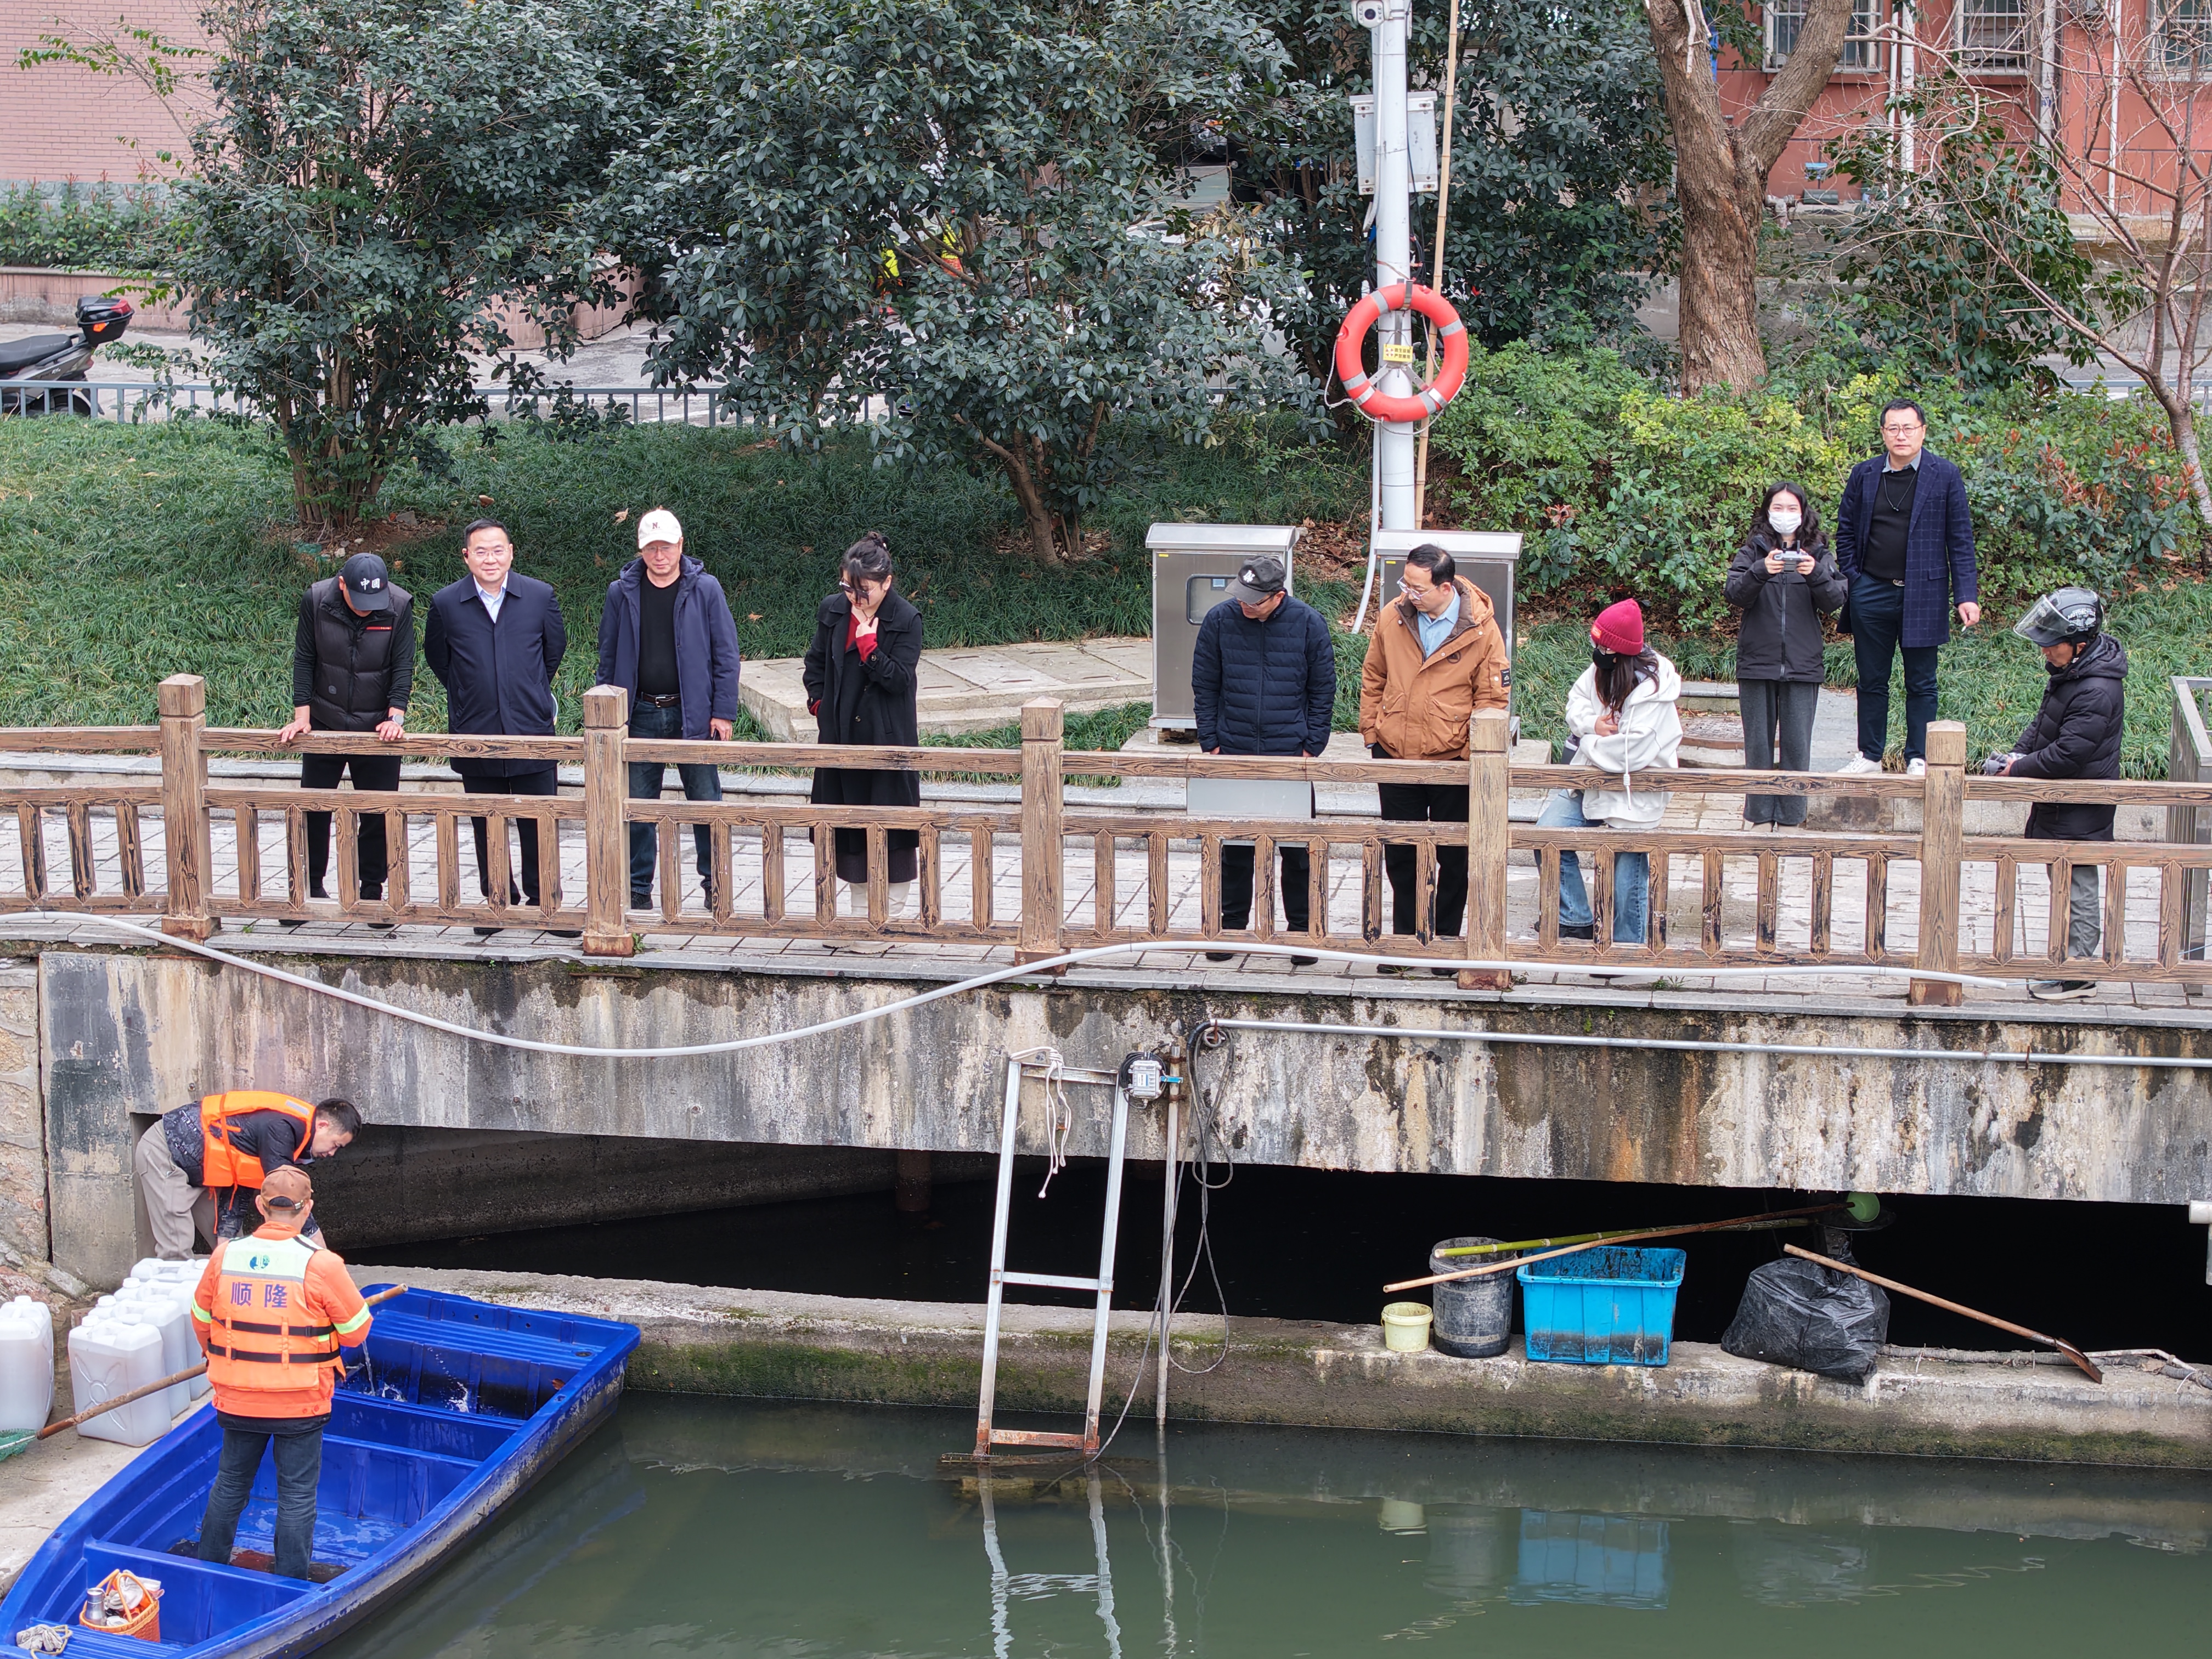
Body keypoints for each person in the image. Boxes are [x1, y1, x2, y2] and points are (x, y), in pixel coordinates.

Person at [190, 1165, 373, 1582]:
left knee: (230, 1484)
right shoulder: (322, 1264)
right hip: (300, 1402)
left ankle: (208, 1570)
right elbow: (356, 1331)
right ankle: (291, 1584)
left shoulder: (225, 1256)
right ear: (307, 1208)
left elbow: (201, 1319)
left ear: (260, 1205)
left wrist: (224, 1355)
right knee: (296, 1496)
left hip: (237, 1397)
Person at [1358, 544, 1509, 970]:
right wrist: (1372, 732)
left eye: (1418, 588)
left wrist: (1469, 753)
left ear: (1446, 588)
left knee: (1454, 854)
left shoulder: (1480, 629)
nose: (1408, 593)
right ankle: (1406, 941)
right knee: (1401, 852)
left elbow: (1493, 696)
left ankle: (1445, 942)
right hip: (1395, 753)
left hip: (1452, 760)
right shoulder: (1393, 616)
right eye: (1405, 583)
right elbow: (1374, 675)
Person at [425, 519, 575, 938]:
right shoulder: (446, 603)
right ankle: (497, 902)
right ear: (466, 556)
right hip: (476, 731)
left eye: (497, 550)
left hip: (531, 729)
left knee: (539, 819)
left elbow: (553, 650)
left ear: (511, 552)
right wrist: (473, 694)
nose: (490, 559)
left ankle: (545, 901)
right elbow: (440, 660)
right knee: (487, 821)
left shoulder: (539, 596)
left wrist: (524, 692)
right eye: (481, 551)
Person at [1191, 554, 1336, 964]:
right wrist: (1211, 742)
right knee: (1234, 846)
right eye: (1241, 596)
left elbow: (1323, 688)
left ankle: (1302, 931)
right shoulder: (1219, 620)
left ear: (1278, 596)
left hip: (1289, 751)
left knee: (1297, 850)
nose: (1245, 605)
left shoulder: (1308, 623)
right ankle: (1231, 929)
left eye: (1254, 600)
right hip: (1233, 748)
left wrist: (1312, 744)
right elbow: (1205, 684)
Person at [596, 508, 743, 911]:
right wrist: (609, 713)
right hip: (641, 711)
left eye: (666, 547)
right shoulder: (621, 592)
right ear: (641, 550)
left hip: (693, 713)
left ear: (681, 545)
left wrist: (723, 712)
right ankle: (637, 888)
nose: (659, 556)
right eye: (651, 548)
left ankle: (715, 885)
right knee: (638, 805)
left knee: (706, 802)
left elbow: (726, 654)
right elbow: (608, 655)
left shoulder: (705, 589)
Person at [1985, 588, 2126, 1002]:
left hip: (2080, 805)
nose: (2045, 651)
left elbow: (2069, 753)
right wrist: (2018, 754)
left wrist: (2017, 770)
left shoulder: (2096, 688)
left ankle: (2079, 975)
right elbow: (2043, 724)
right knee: (2063, 883)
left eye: (2052, 644)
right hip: (2061, 802)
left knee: (2078, 886)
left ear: (2078, 644)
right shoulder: (2073, 672)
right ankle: (2065, 966)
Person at [1834, 398, 1980, 777]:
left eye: (1909, 428)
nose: (1901, 435)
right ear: (1883, 433)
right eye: (1893, 428)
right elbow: (1845, 531)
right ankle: (1870, 755)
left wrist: (1966, 596)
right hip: (1871, 591)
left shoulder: (1944, 474)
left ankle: (1919, 756)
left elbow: (1960, 539)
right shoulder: (1865, 474)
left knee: (1922, 682)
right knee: (1872, 679)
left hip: (1924, 593)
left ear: (1923, 431)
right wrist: (1855, 579)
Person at [277, 552, 414, 923]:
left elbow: (403, 664)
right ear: (342, 585)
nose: (368, 608)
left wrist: (395, 717)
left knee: (377, 810)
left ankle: (372, 891)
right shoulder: (316, 600)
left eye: (375, 600)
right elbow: (305, 657)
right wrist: (302, 716)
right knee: (315, 806)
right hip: (326, 718)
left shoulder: (399, 605)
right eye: (360, 599)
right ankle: (310, 888)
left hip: (377, 727)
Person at [1541, 599, 1681, 949]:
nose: (1597, 654)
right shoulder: (1600, 667)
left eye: (1604, 648)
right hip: (1590, 780)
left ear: (1621, 654)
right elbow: (1576, 701)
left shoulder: (1654, 690)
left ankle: (1626, 945)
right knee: (1547, 835)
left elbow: (1630, 753)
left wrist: (1587, 741)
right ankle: (1574, 917)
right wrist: (1593, 724)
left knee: (1626, 874)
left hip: (1636, 791)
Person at [801, 532, 924, 913]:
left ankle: (887, 919)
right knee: (848, 833)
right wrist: (820, 706)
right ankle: (859, 919)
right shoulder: (833, 610)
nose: (855, 597)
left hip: (887, 739)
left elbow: (899, 679)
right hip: (839, 737)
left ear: (887, 582)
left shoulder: (906, 618)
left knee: (892, 831)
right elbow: (815, 664)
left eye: (864, 590)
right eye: (848, 587)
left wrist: (870, 649)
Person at [1725, 481, 1846, 828]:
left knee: (1797, 747)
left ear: (1803, 513)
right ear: (1767, 511)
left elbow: (1836, 600)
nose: (1785, 514)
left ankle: (1792, 818)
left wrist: (1815, 573)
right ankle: (1759, 817)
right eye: (1778, 507)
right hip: (1756, 663)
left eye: (1792, 508)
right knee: (1758, 747)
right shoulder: (1753, 551)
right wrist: (1762, 569)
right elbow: (1734, 593)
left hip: (1803, 664)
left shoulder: (1819, 552)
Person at [134, 1092, 362, 1256]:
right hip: (167, 1153)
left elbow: (241, 1183)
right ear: (322, 1126)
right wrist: (320, 1249)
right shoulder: (280, 1128)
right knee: (177, 1246)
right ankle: (178, 1304)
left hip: (202, 1173)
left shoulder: (293, 1137)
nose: (332, 1153)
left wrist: (226, 1235)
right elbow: (285, 1193)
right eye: (335, 1145)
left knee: (233, 1249)